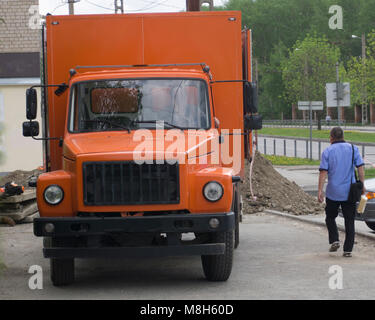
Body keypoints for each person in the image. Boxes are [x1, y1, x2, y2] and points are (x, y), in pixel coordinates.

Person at [318, 127, 365, 257]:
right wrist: (362, 185)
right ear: (343, 136)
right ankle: (348, 249)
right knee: (349, 220)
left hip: (333, 192)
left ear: (331, 137)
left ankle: (334, 240)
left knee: (330, 217)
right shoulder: (353, 148)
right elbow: (360, 167)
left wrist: (320, 191)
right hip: (350, 192)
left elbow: (323, 172)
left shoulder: (327, 151)